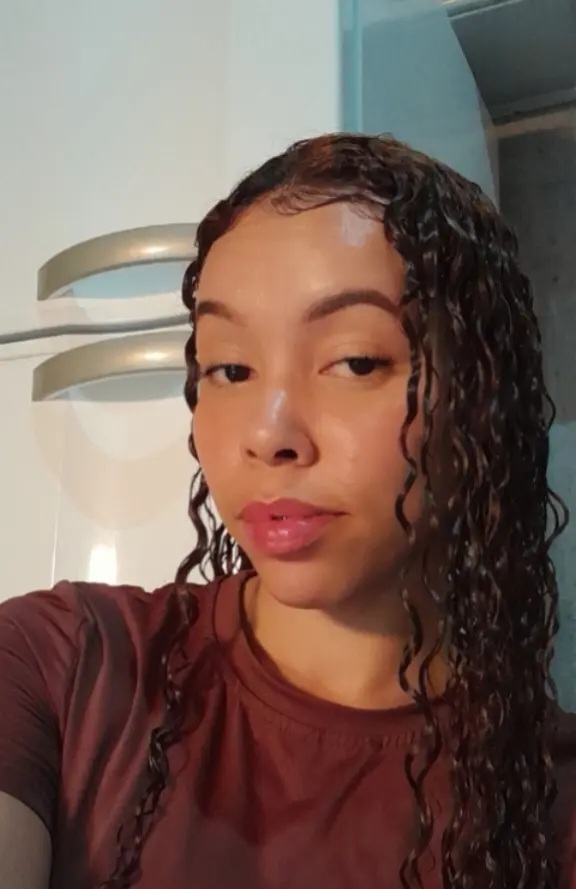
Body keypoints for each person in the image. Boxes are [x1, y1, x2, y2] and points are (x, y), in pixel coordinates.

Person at [0, 133, 575, 889]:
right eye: (230, 368)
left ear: (482, 399)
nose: (267, 434)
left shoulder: (548, 809)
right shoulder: (61, 666)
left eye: (356, 362)